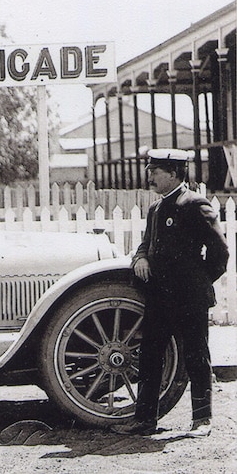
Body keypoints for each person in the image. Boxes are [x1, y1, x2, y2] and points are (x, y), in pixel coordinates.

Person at [112, 148, 228, 437]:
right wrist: (139, 259)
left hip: (189, 297)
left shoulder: (194, 205)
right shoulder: (156, 209)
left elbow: (220, 252)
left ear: (174, 173)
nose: (149, 176)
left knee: (196, 355)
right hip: (159, 296)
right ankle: (145, 420)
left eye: (155, 171)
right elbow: (145, 244)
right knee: (150, 356)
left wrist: (199, 281)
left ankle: (202, 420)